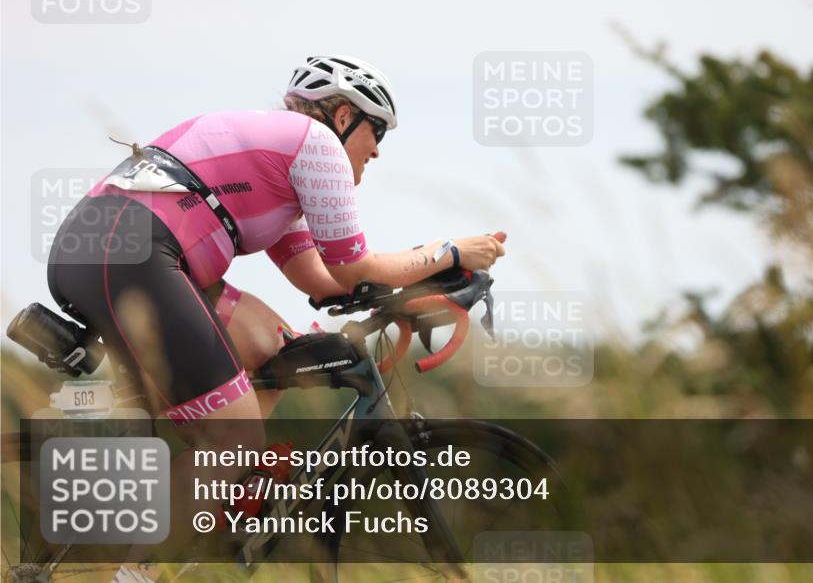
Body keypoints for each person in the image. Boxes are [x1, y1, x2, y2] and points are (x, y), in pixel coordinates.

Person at [45, 54, 506, 581]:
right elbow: (354, 264)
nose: (377, 149)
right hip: (128, 252)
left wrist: (420, 288)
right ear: (341, 119)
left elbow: (324, 280)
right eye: (374, 130)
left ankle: (217, 492)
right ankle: (144, 567)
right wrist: (449, 253)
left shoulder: (282, 170)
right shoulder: (316, 147)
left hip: (116, 250)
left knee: (273, 344)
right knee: (236, 438)